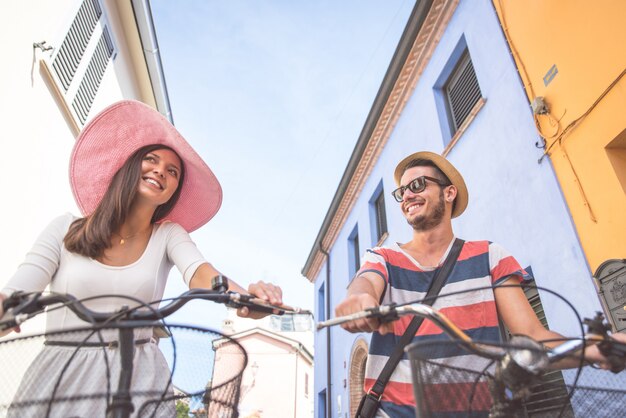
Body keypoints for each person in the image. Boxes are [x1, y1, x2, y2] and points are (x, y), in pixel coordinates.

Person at [0, 100, 283, 417]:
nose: (161, 170)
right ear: (130, 167)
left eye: (172, 171)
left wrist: (244, 297)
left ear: (173, 190)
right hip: (64, 375)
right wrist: (6, 307)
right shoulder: (65, 228)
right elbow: (18, 291)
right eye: (151, 160)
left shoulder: (168, 235)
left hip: (139, 379)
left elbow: (201, 274)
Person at [335, 151, 626, 417]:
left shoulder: (489, 256)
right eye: (402, 192)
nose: (407, 196)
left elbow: (533, 336)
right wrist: (360, 299)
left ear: (449, 193)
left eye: (418, 185)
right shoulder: (383, 257)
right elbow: (366, 283)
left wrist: (599, 348)